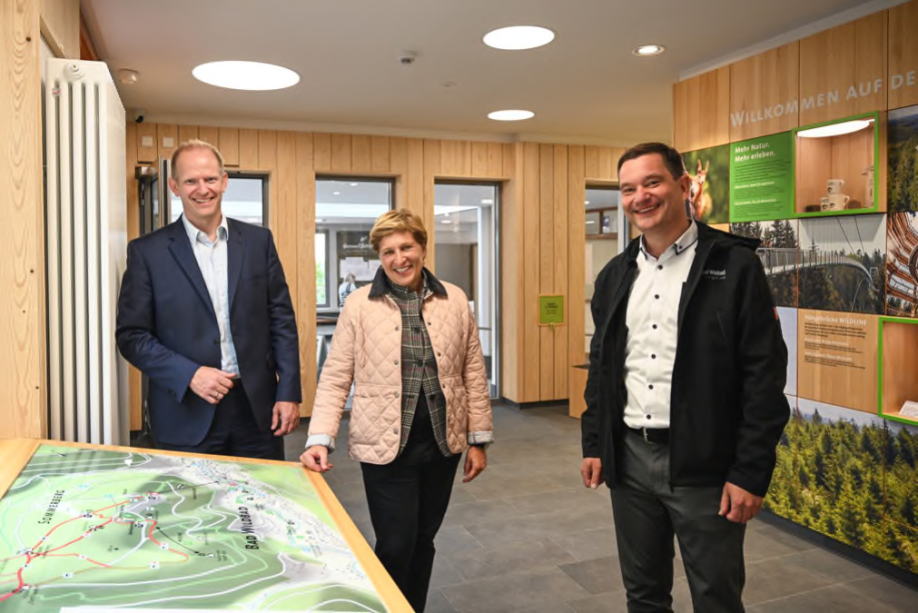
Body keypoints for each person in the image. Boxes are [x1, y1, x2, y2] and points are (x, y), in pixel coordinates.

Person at [580, 142, 789, 612]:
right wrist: (595, 443)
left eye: (652, 183)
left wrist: (750, 472)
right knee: (644, 595)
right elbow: (604, 367)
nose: (640, 197)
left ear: (682, 185)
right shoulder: (615, 276)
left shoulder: (734, 266)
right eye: (628, 189)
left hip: (705, 466)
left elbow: (764, 376)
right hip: (630, 462)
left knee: (715, 597)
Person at [301, 208, 492, 612]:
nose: (399, 258)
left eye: (406, 247)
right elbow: (336, 375)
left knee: (423, 540)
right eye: (388, 251)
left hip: (443, 445)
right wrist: (320, 437)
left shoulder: (453, 299)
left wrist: (478, 440)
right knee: (396, 543)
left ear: (422, 247)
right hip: (385, 445)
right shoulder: (359, 305)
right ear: (379, 257)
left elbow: (473, 371)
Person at [116, 139, 301, 460]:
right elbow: (131, 336)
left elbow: (281, 321)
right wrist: (190, 374)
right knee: (192, 506)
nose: (203, 189)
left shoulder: (259, 242)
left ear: (224, 181)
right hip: (185, 411)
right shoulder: (147, 252)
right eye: (191, 181)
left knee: (263, 504)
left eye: (210, 179)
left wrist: (288, 392)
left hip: (258, 412)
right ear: (174, 186)